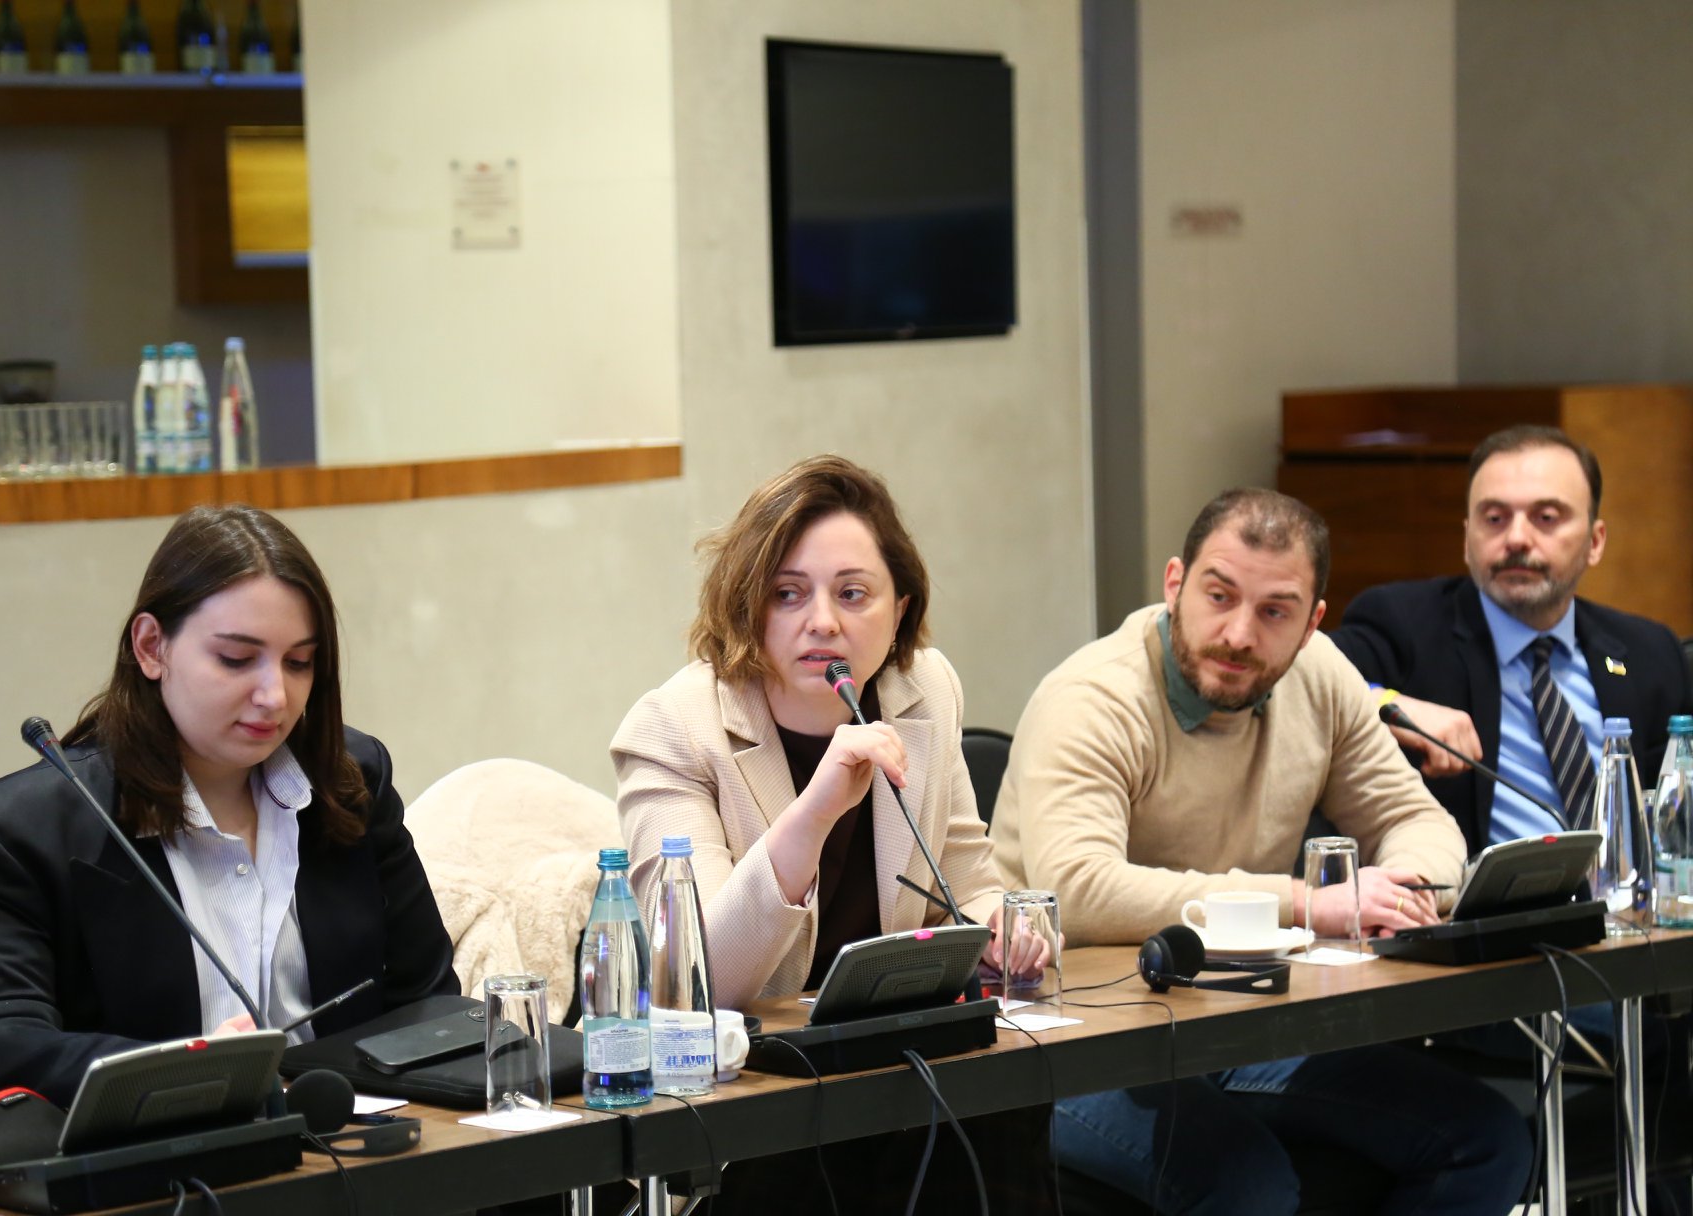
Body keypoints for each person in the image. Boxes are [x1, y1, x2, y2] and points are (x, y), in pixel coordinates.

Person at [991, 487, 1531, 1216]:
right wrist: (1308, 903)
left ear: (1311, 623)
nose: (1239, 634)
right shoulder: (1092, 697)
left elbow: (1417, 821)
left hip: (1235, 1024)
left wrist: (1402, 892)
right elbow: (1079, 893)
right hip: (1075, 1045)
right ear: (1175, 585)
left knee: (1486, 1138)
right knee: (1248, 1186)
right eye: (1218, 596)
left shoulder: (1320, 676)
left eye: (1275, 612)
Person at [611, 454, 1051, 1213]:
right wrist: (813, 813)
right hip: (750, 1104)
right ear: (749, 607)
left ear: (900, 610)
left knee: (1006, 1103)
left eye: (852, 593)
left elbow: (965, 879)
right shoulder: (674, 730)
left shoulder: (925, 690)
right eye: (788, 594)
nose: (822, 621)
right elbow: (697, 979)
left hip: (888, 1072)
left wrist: (1002, 929)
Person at [0, 504, 459, 1107]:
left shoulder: (350, 782)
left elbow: (430, 1000)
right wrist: (184, 1072)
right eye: (236, 659)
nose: (274, 695)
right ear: (152, 647)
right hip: (160, 1153)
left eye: (299, 662)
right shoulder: (24, 833)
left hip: (350, 1140)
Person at [1331, 424, 1692, 854]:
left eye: (1546, 518)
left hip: (1626, 895)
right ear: (1467, 539)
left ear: (1595, 542)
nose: (1517, 539)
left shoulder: (1652, 652)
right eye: (1495, 519)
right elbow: (1301, 678)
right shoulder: (1403, 624)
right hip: (1477, 895)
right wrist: (1387, 701)